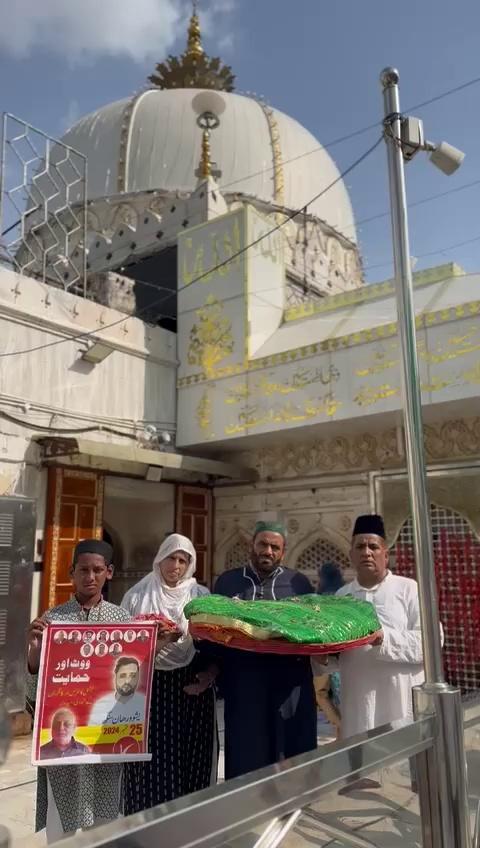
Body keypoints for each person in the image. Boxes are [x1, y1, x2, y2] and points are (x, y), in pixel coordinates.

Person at [26, 539, 131, 843]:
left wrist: (159, 642)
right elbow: (38, 683)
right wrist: (34, 649)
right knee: (62, 824)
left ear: (109, 573)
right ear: (71, 572)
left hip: (104, 739)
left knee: (105, 820)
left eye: (98, 570)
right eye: (83, 569)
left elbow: (134, 674)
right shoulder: (54, 620)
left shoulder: (122, 621)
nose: (90, 576)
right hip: (63, 737)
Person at [121, 533, 218, 814]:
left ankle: (187, 828)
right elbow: (124, 650)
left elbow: (216, 646)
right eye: (171, 558)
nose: (176, 565)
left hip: (192, 687)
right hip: (148, 688)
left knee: (191, 758)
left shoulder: (201, 597)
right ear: (159, 559)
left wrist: (209, 676)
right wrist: (159, 641)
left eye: (182, 560)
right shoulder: (137, 596)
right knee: (151, 762)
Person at [213, 521, 317, 780]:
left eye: (275, 547)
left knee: (290, 756)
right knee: (246, 755)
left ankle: (289, 811)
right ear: (252, 545)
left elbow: (314, 628)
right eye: (263, 544)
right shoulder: (228, 583)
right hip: (244, 686)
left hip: (290, 685)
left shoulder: (299, 584)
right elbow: (213, 633)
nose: (268, 551)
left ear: (283, 551)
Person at [334, 514, 425, 792]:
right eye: (360, 547)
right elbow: (334, 651)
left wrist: (383, 638)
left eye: (373, 546)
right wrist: (323, 657)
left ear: (386, 552)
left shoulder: (408, 589)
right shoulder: (341, 596)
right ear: (350, 554)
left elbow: (431, 642)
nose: (367, 552)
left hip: (401, 700)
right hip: (358, 702)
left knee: (409, 785)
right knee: (362, 781)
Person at [313, 562, 344, 736]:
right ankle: (341, 730)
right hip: (340, 654)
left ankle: (340, 727)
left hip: (323, 655)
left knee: (320, 694)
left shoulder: (319, 598)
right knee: (340, 697)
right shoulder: (343, 595)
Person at [89, 657, 146, 725]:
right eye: (122, 676)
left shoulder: (146, 703)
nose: (127, 681)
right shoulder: (101, 705)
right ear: (115, 676)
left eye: (132, 676)